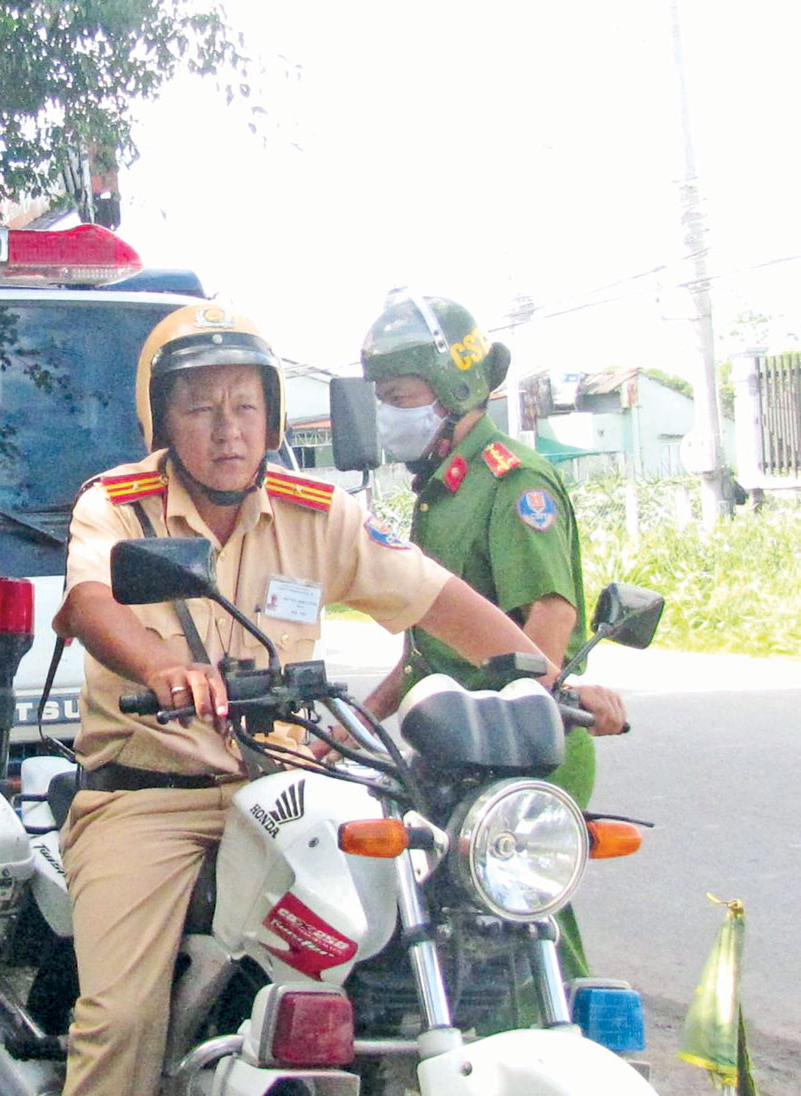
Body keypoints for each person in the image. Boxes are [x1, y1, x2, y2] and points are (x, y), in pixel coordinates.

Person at [51, 304, 578, 1096]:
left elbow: (440, 601)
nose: (227, 430)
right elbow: (93, 603)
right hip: (148, 798)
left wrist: (547, 677)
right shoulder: (117, 503)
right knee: (123, 1018)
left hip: (289, 789)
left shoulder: (319, 512)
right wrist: (163, 666)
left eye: (245, 407)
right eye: (199, 408)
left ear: (271, 418)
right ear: (160, 419)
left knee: (412, 926)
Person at [357, 290, 626, 978]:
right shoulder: (444, 487)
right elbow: (428, 647)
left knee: (522, 926)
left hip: (516, 741)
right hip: (448, 743)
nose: (387, 411)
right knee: (440, 932)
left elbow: (549, 618)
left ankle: (570, 1055)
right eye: (380, 395)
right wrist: (361, 721)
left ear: (451, 389)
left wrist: (516, 723)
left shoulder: (512, 482)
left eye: (398, 394)